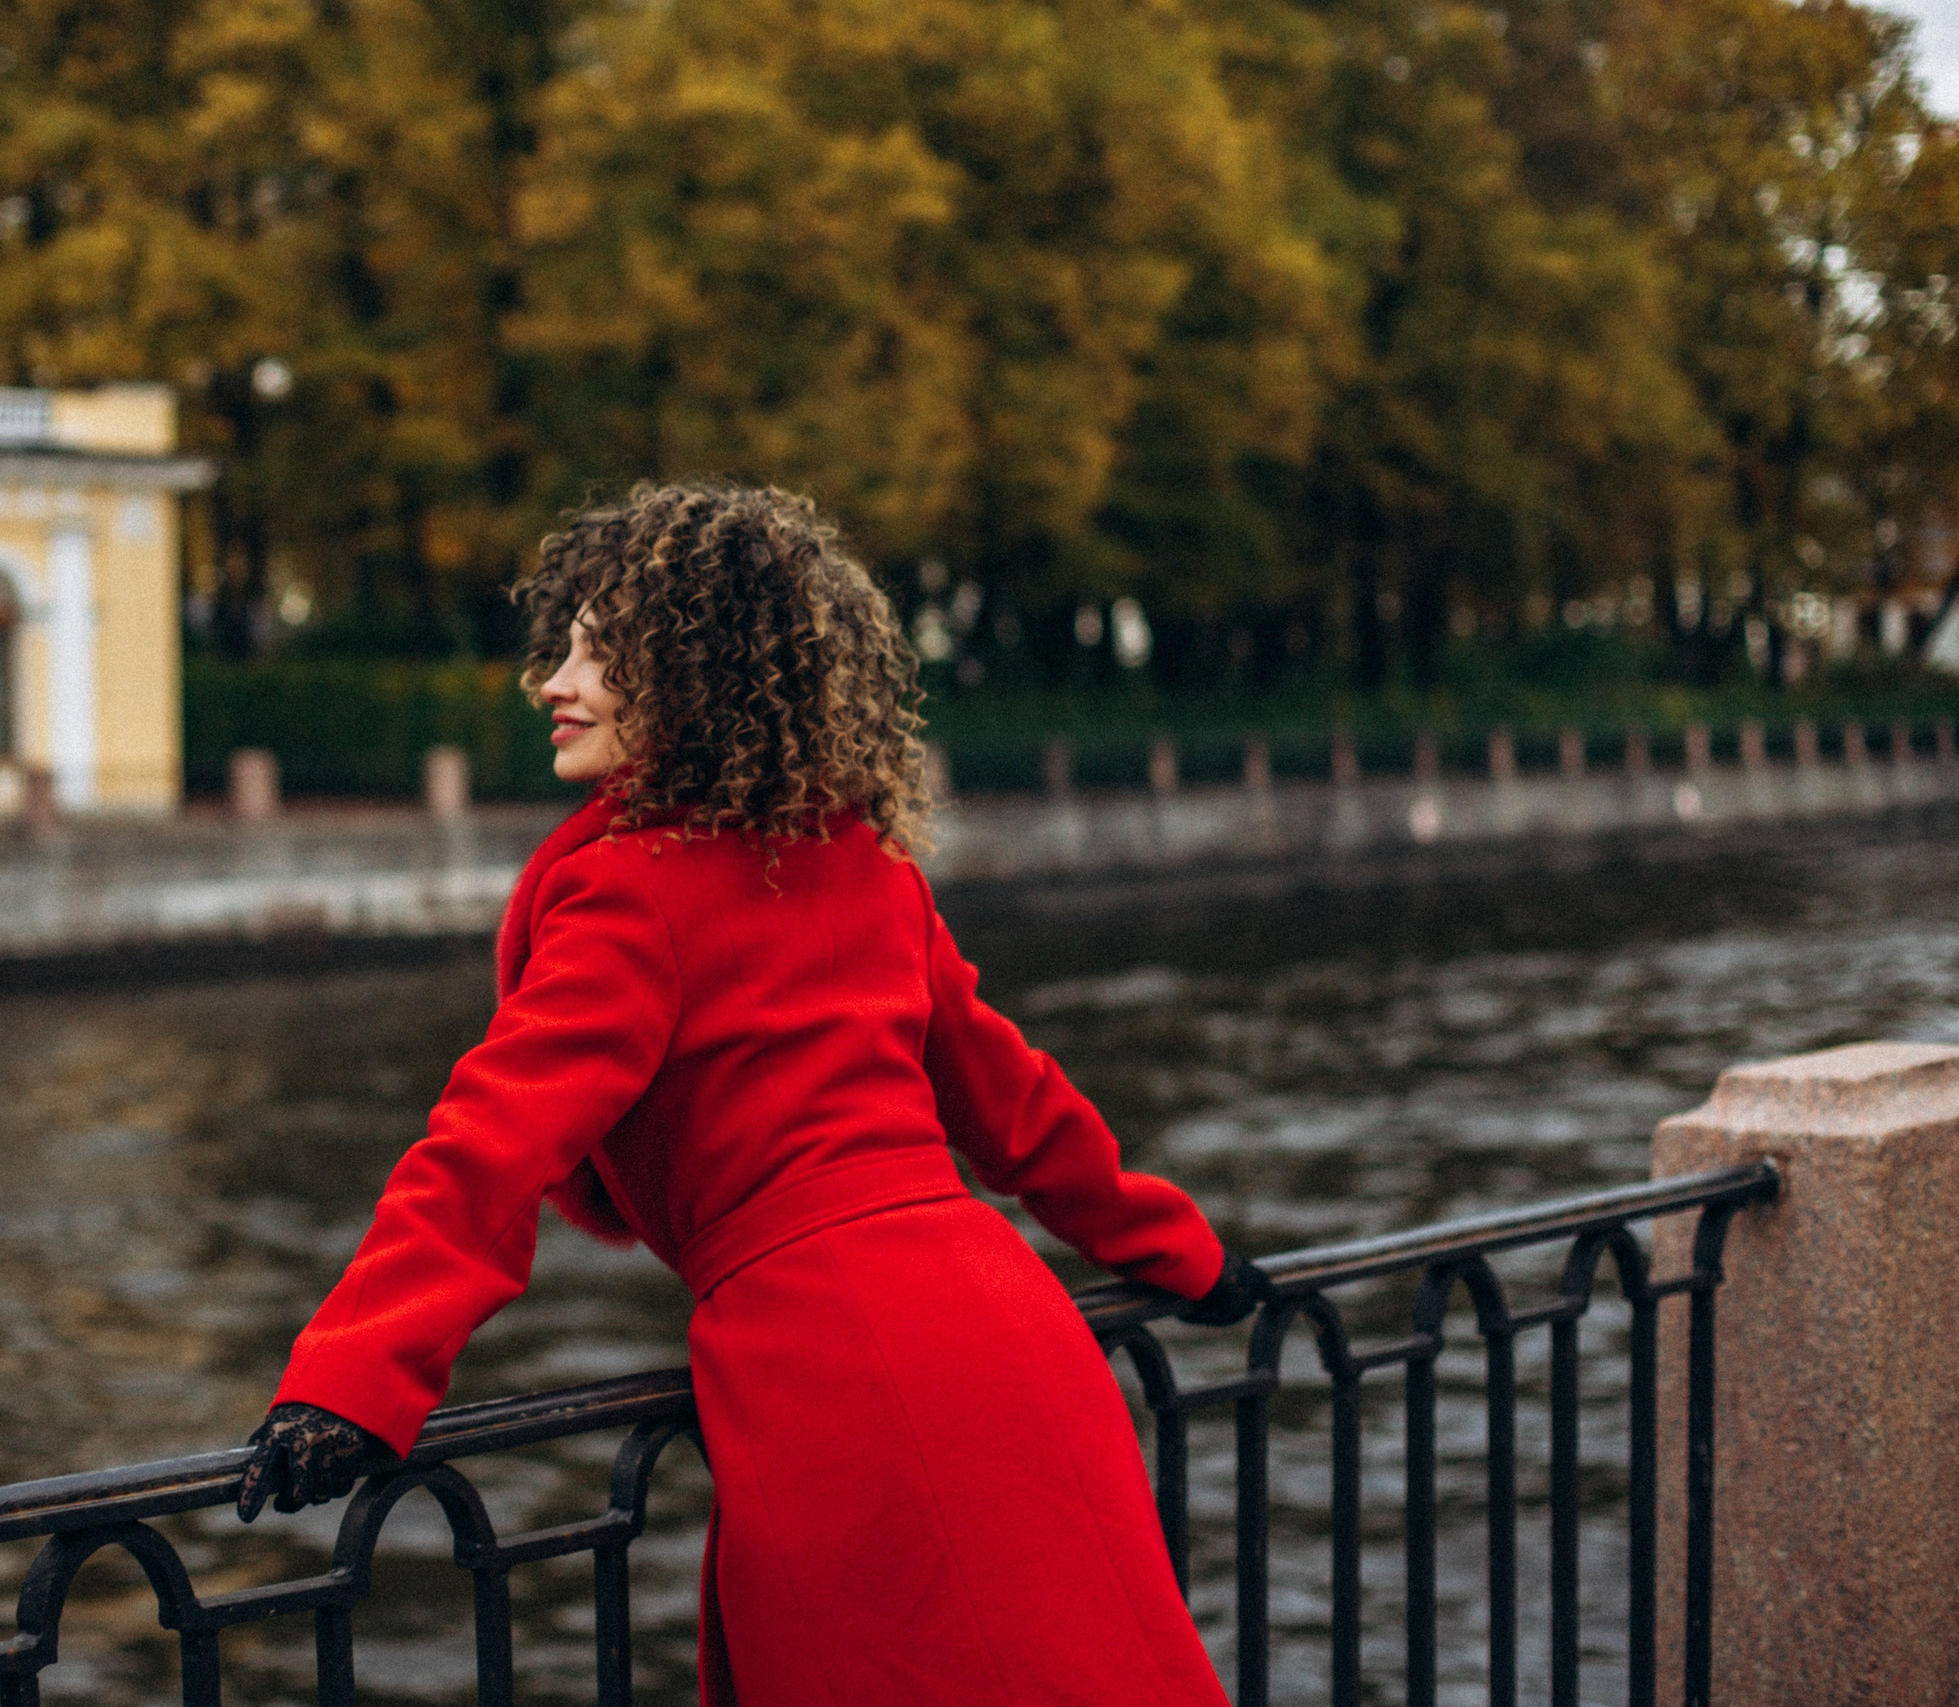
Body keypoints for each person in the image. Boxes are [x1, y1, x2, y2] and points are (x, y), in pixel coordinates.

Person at [235, 483, 1269, 1705]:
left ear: (693, 677)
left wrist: (347, 1385)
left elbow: (487, 1148)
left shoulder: (631, 893)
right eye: (562, 649)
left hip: (834, 1377)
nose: (553, 683)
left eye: (598, 655)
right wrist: (1186, 1256)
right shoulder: (863, 862)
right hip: (1014, 1338)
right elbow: (1018, 1111)